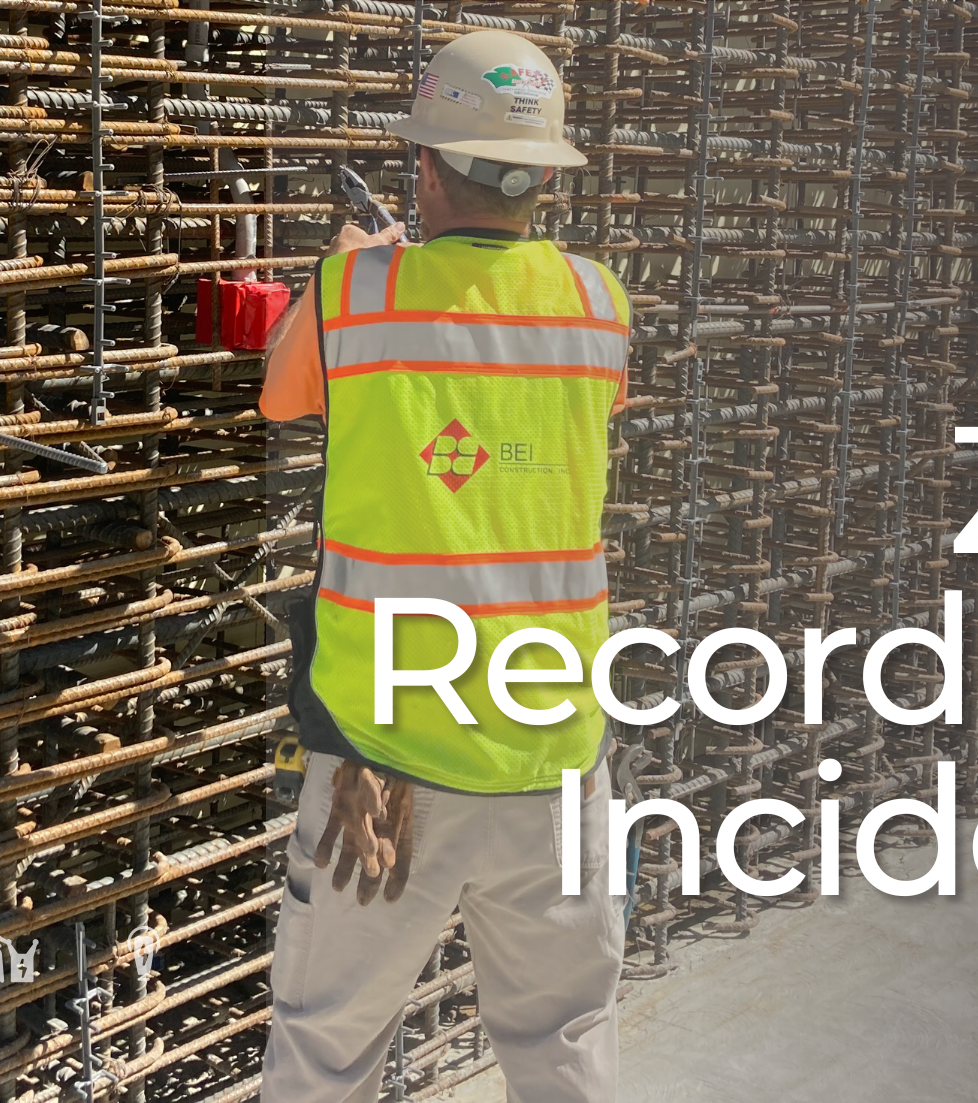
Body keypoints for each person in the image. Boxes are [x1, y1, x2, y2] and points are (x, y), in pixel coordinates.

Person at [256, 29, 632, 1103]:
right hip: (555, 754)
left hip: (387, 767)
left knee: (326, 1050)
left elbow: (283, 397)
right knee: (565, 1041)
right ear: (541, 180)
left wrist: (339, 261)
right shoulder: (601, 304)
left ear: (426, 167)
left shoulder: (358, 293)